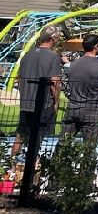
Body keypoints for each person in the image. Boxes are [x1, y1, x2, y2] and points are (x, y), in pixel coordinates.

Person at [13, 27, 63, 160]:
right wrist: (56, 102)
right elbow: (55, 83)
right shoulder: (53, 57)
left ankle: (11, 164)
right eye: (57, 38)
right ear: (52, 39)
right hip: (42, 103)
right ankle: (32, 166)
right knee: (36, 139)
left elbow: (19, 78)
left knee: (20, 136)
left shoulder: (27, 55)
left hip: (25, 102)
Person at [62, 33, 98, 142]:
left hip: (73, 106)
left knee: (64, 141)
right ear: (96, 47)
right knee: (90, 145)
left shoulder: (73, 64)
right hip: (91, 108)